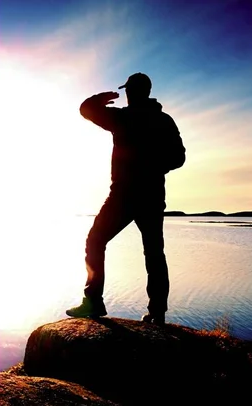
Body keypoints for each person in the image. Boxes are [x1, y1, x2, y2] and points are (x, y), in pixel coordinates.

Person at [66, 73, 185, 325]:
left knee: (95, 240)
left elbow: (86, 109)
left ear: (131, 92)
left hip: (123, 196)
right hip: (152, 195)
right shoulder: (164, 120)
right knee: (154, 253)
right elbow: (178, 158)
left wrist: (103, 98)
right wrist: (155, 167)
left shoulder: (123, 117)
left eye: (128, 91)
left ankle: (93, 302)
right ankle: (157, 312)